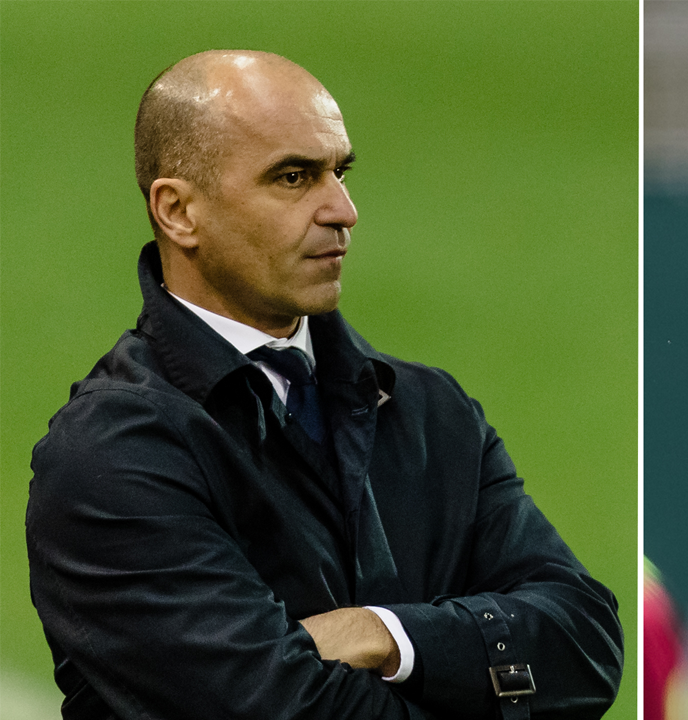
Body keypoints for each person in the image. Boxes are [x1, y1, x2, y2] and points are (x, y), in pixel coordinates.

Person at [25, 50, 622, 720]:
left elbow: (587, 642)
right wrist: (469, 671)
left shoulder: (432, 413)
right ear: (179, 211)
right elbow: (276, 706)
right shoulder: (110, 455)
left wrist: (384, 634)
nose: (343, 210)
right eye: (293, 178)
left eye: (340, 172)